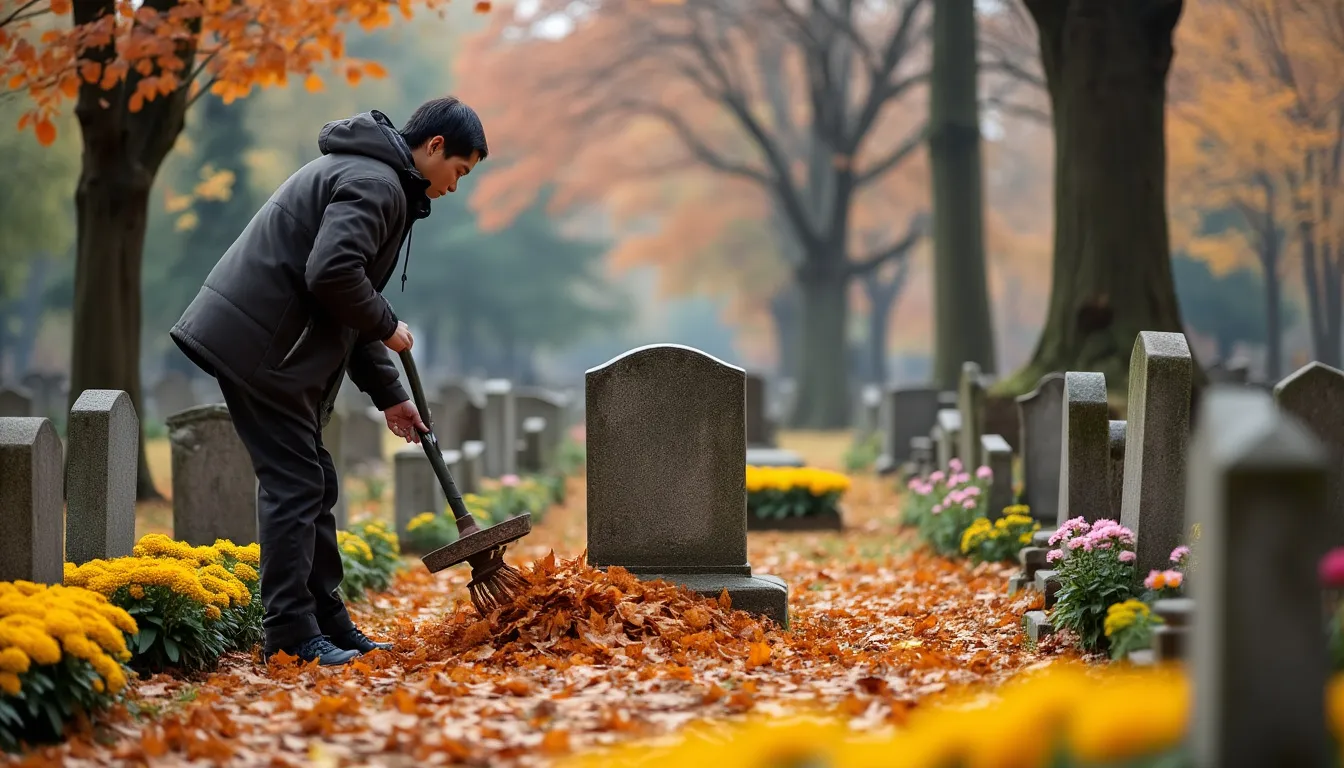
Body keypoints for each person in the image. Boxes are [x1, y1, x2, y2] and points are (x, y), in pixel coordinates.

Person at [170, 97, 488, 667]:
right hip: (262, 345)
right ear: (435, 147)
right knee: (296, 484)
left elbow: (346, 303)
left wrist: (392, 396)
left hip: (269, 344)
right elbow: (334, 274)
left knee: (313, 479)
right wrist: (388, 324)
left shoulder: (376, 178)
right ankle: (291, 633)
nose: (454, 187)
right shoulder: (377, 183)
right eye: (459, 172)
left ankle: (327, 622)